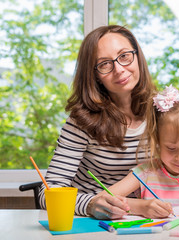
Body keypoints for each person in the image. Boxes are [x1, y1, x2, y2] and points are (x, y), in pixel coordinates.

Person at [38, 25, 156, 219]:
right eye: (104, 64)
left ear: (137, 57)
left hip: (148, 221)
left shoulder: (163, 110)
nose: (119, 69)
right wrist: (91, 204)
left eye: (124, 56)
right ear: (95, 76)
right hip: (90, 221)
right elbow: (47, 194)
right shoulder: (82, 121)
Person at [104, 85, 179, 219]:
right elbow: (102, 199)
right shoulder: (145, 173)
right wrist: (140, 207)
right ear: (157, 140)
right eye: (171, 148)